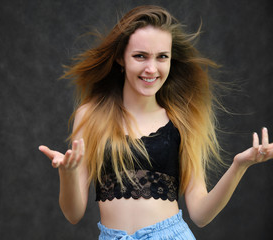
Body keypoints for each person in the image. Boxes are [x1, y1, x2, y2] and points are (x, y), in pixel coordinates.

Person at [39, 5, 272, 240]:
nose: (151, 69)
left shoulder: (181, 121)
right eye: (140, 56)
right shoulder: (89, 116)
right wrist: (67, 174)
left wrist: (239, 166)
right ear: (121, 58)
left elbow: (201, 215)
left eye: (162, 57)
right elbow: (73, 214)